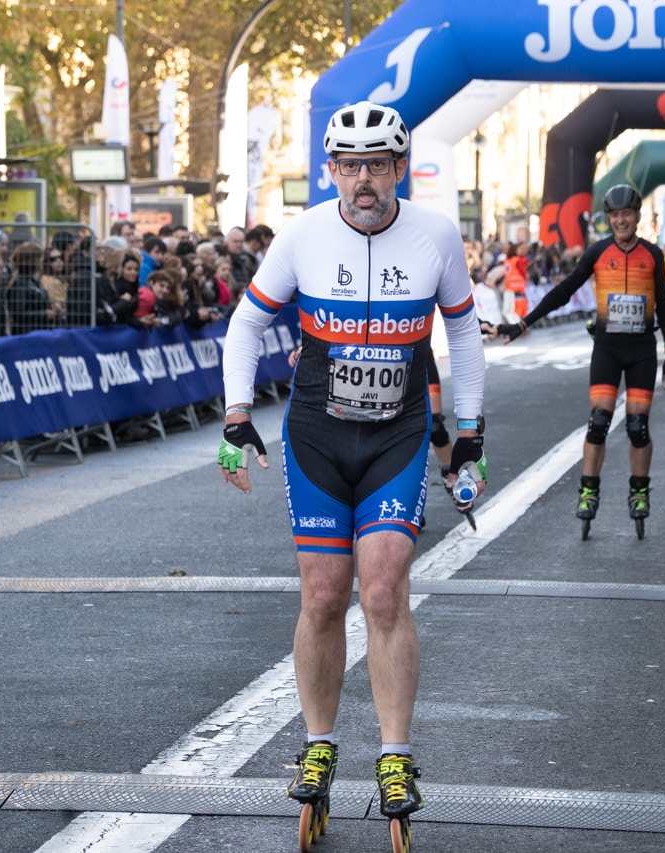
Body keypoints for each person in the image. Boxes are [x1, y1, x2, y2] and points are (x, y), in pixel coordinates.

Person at [216, 100, 487, 827]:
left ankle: (395, 755)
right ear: (331, 169)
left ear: (399, 167)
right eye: (350, 165)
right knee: (323, 595)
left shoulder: (435, 235)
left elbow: (463, 333)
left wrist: (469, 431)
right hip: (318, 436)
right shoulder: (303, 234)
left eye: (377, 165)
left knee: (385, 593)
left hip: (397, 437)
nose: (363, 180)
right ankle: (319, 744)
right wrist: (236, 417)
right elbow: (247, 322)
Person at [495, 184, 665, 525]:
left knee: (638, 426)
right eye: (615, 215)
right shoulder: (598, 252)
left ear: (637, 216)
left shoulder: (653, 255)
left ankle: (639, 492)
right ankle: (588, 491)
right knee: (598, 423)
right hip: (608, 348)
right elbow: (565, 291)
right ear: (608, 218)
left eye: (626, 214)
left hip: (641, 350)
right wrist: (523, 323)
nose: (621, 221)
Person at [5, 242, 63, 334]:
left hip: (40, 331)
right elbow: (18, 314)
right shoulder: (19, 283)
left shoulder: (34, 280)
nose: (42, 262)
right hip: (27, 333)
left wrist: (52, 306)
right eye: (40, 259)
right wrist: (44, 314)